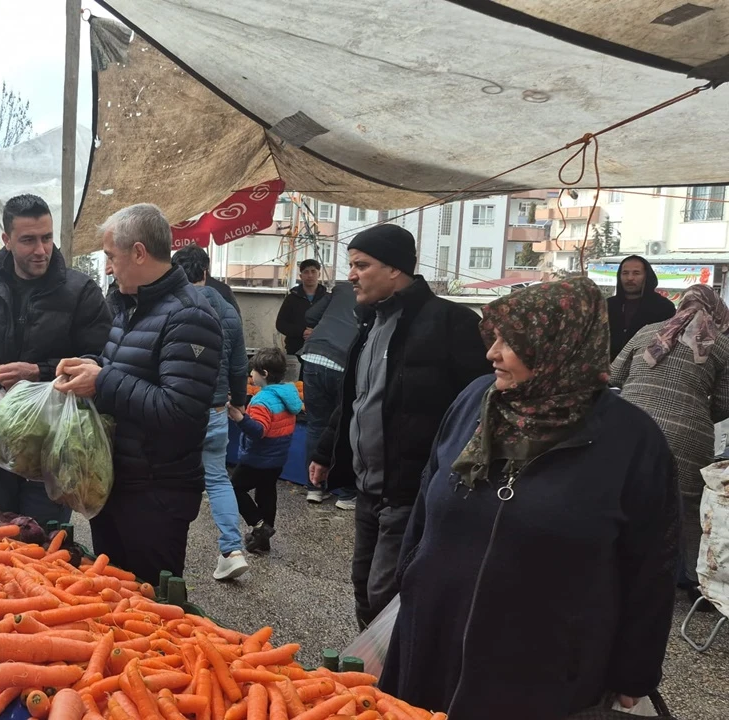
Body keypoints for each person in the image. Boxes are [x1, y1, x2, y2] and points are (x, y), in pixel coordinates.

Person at [382, 278, 677, 720]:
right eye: (494, 337)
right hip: (431, 638)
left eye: (511, 342)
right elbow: (427, 500)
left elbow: (652, 565)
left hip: (542, 665)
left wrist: (634, 669)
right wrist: (406, 584)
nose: (492, 353)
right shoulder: (473, 402)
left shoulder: (632, 440)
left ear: (561, 345)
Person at [309, 224, 489, 628]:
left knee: (387, 595)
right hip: (368, 488)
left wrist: (450, 476)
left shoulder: (451, 322)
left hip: (412, 489)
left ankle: (391, 682)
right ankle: (369, 679)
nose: (351, 275)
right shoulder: (370, 324)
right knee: (362, 586)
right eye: (351, 265)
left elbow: (479, 407)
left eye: (361, 265)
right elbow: (357, 398)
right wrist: (326, 451)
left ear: (395, 270)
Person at [55, 203, 221, 584]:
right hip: (120, 485)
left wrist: (103, 380)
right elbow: (127, 368)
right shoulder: (132, 305)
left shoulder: (189, 316)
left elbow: (181, 411)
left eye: (111, 257)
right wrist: (88, 365)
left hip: (155, 498)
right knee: (110, 596)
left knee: (147, 611)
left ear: (139, 252)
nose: (109, 267)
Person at [0, 195, 111, 526]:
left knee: (39, 537)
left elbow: (98, 359)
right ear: (7, 240)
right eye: (28, 240)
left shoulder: (80, 291)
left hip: (52, 444)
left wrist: (38, 372)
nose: (41, 250)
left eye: (47, 237)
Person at [611, 283, 729, 607]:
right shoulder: (721, 346)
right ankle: (693, 583)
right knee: (687, 509)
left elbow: (615, 374)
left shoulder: (647, 332)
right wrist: (695, 408)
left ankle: (616, 567)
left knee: (625, 496)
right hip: (689, 435)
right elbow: (723, 403)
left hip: (631, 427)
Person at [173, 245, 250, 581]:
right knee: (218, 480)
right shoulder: (228, 311)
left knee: (170, 480)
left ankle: (166, 554)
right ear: (206, 271)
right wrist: (241, 401)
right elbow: (239, 365)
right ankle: (232, 550)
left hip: (177, 409)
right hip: (217, 408)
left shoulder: (172, 304)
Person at [228, 348, 301, 555]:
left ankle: (259, 526)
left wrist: (239, 418)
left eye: (254, 371)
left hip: (257, 458)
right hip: (277, 458)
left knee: (234, 488)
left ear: (265, 374)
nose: (251, 375)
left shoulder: (262, 400)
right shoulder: (288, 395)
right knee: (267, 492)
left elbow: (259, 431)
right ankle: (263, 540)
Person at [298, 280, 360, 508]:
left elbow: (311, 315)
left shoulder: (342, 288)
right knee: (345, 424)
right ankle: (346, 493)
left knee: (316, 424)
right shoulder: (377, 293)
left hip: (313, 355)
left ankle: (314, 488)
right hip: (344, 360)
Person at [608, 255, 675, 360]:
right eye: (625, 273)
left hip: (644, 369)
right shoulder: (608, 305)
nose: (630, 278)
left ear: (646, 276)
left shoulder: (663, 307)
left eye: (636, 273)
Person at [275, 259, 328, 368]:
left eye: (313, 271)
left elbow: (333, 324)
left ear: (319, 274)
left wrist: (317, 332)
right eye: (306, 272)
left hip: (321, 351)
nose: (310, 275)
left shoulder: (327, 298)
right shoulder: (292, 298)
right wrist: (302, 332)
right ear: (301, 275)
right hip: (295, 349)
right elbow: (281, 324)